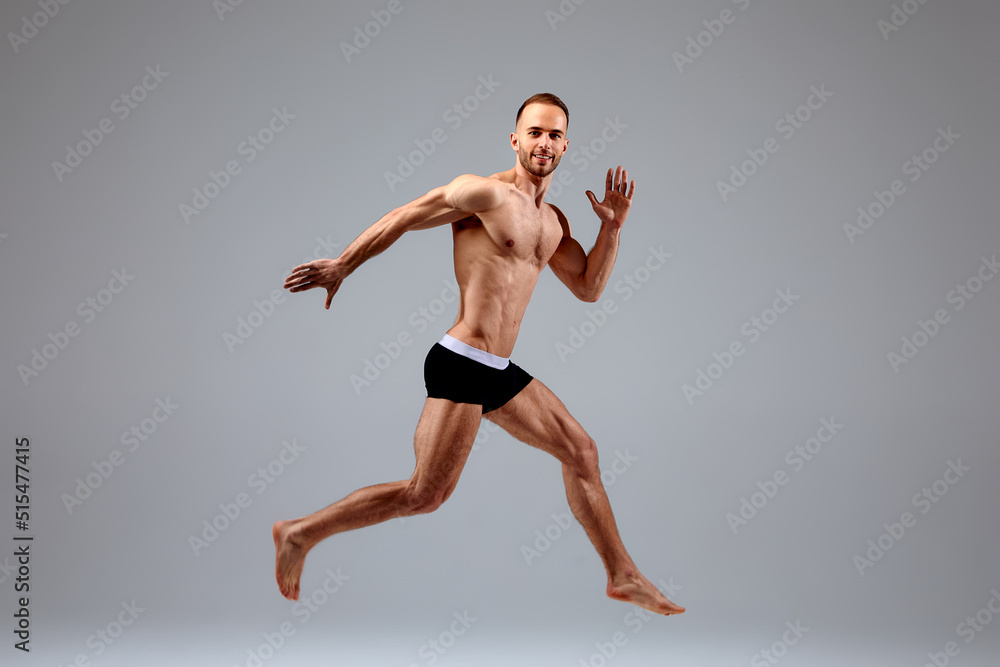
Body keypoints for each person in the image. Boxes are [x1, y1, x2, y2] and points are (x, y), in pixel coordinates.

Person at [273, 93, 684, 616]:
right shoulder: (484, 194)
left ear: (565, 147)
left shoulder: (552, 221)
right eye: (534, 132)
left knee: (582, 452)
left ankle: (622, 575)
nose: (544, 142)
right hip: (461, 361)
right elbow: (405, 215)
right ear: (515, 139)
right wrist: (342, 265)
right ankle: (300, 533)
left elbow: (588, 287)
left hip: (498, 370)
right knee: (425, 495)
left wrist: (612, 228)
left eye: (555, 135)